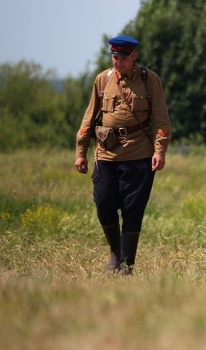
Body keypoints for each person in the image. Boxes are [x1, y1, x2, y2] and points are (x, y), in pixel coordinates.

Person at [74, 35, 171, 275]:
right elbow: (89, 117)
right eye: (114, 57)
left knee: (133, 209)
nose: (118, 62)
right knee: (104, 205)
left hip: (139, 154)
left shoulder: (150, 80)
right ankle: (115, 252)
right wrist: (80, 151)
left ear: (134, 56)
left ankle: (127, 264)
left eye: (123, 58)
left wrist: (159, 150)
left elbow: (161, 118)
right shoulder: (102, 79)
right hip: (106, 155)